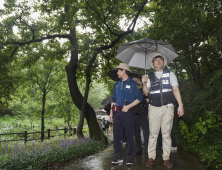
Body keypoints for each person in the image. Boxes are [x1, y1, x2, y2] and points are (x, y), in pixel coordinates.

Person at [142, 53, 184, 169]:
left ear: (164, 63)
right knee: (153, 134)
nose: (158, 61)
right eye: (156, 59)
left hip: (168, 107)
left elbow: (175, 90)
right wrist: (144, 83)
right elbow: (146, 93)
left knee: (166, 134)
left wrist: (180, 105)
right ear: (153, 63)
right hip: (154, 108)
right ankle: (151, 158)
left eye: (161, 59)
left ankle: (166, 158)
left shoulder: (170, 74)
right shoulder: (149, 76)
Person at [109, 63, 142, 166]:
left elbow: (139, 99)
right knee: (117, 136)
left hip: (128, 113)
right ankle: (118, 157)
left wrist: (128, 107)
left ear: (124, 71)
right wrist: (111, 113)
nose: (117, 72)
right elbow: (113, 99)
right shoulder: (117, 84)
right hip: (117, 113)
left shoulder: (133, 84)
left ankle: (129, 158)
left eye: (118, 70)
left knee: (129, 136)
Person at [132, 77, 150, 156]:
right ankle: (138, 149)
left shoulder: (143, 90)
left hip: (143, 113)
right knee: (136, 133)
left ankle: (150, 150)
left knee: (146, 132)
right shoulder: (130, 92)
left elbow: (149, 100)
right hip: (135, 114)